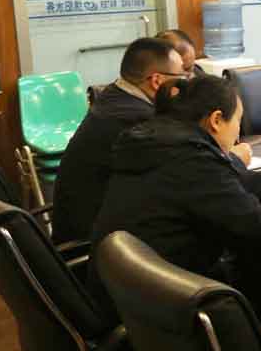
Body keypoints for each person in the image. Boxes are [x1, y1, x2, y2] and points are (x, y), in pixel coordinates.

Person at [89, 75, 261, 321]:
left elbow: (204, 190)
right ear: (216, 120)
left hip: (126, 295)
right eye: (238, 121)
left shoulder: (157, 142)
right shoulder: (193, 161)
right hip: (170, 312)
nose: (238, 134)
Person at [51, 38, 185, 243]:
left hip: (93, 228)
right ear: (157, 81)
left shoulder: (114, 96)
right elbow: (182, 173)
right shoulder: (137, 120)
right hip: (97, 245)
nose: (185, 84)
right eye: (182, 77)